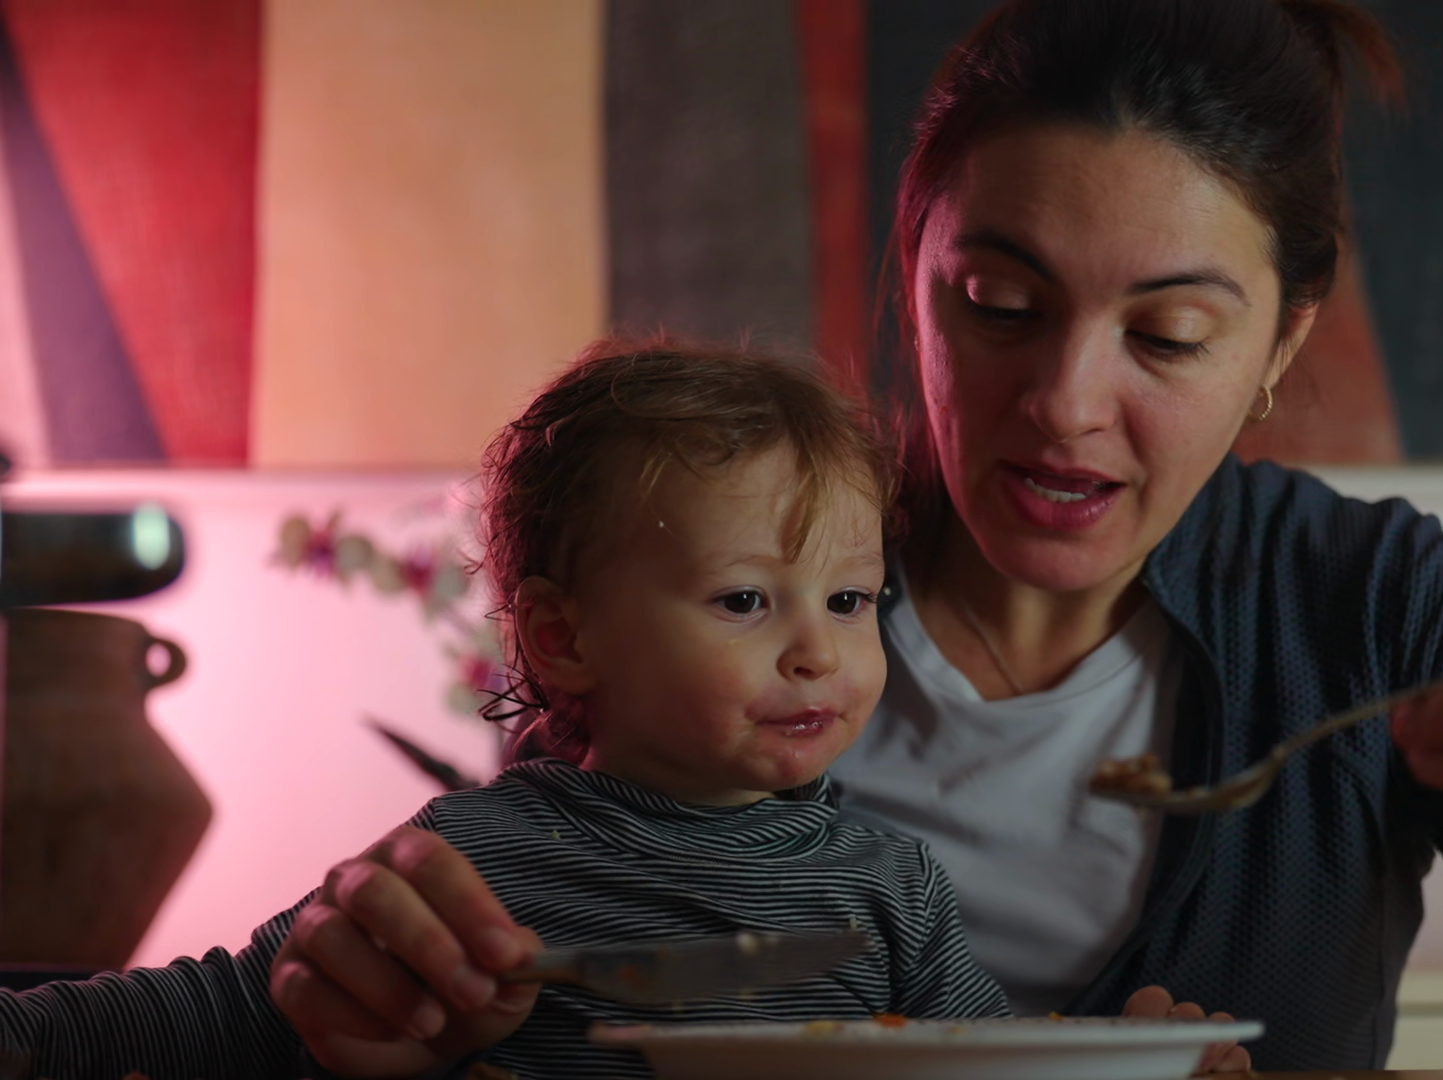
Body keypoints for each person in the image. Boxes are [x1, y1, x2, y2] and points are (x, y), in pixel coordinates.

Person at [271, 0, 1443, 1072]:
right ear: (913, 268)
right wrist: (392, 998)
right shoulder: (729, 579)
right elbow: (538, 971)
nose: (1063, 403)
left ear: (1281, 339)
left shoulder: (1367, 616)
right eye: (998, 302)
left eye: (1169, 335)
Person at [0, 343, 1015, 1080]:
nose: (819, 652)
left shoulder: (896, 887)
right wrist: (27, 1035)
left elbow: (1003, 1063)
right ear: (565, 636)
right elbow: (228, 1008)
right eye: (745, 600)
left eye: (850, 601)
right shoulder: (471, 860)